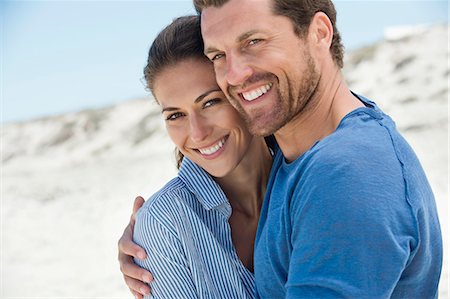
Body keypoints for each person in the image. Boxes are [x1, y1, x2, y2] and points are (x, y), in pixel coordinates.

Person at [119, 0, 443, 298]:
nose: (234, 75)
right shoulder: (297, 157)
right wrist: (158, 232)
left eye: (253, 42)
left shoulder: (347, 174)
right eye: (219, 55)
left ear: (319, 32)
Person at [124, 15, 273, 299]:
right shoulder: (165, 223)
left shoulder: (309, 177)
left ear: (243, 90)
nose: (198, 133)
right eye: (175, 115)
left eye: (210, 102)